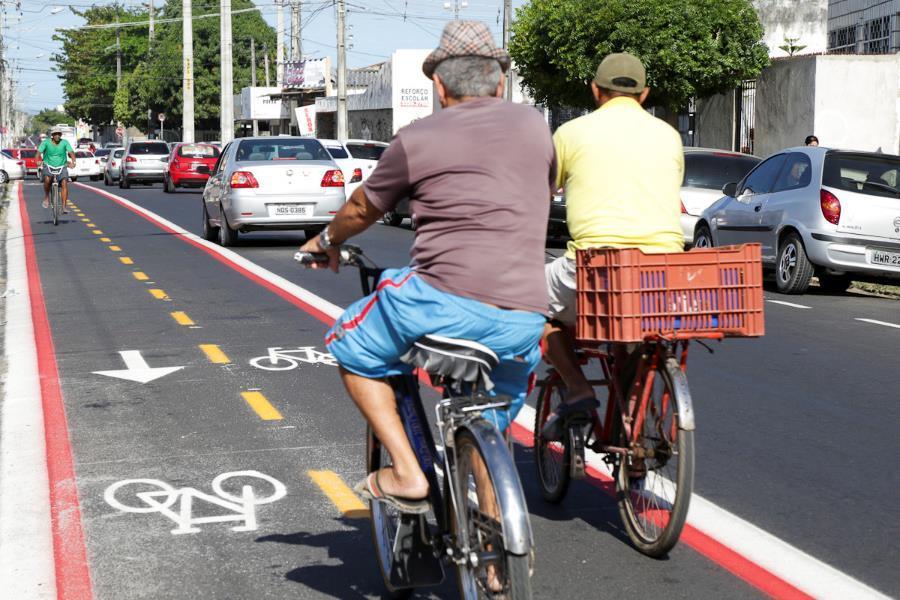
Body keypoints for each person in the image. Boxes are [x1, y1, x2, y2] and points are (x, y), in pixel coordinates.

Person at [298, 20, 556, 511]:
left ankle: (408, 471)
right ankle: (493, 525)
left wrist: (326, 240)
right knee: (492, 410)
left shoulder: (417, 138)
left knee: (349, 346)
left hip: (441, 306)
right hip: (525, 317)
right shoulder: (535, 126)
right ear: (500, 82)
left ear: (438, 86)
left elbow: (362, 208)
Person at [541, 53, 685, 439]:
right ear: (644, 94)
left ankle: (577, 386)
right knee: (636, 320)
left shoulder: (570, 133)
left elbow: (540, 194)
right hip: (664, 270)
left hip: (596, 266)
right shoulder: (670, 136)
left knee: (530, 298)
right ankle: (632, 422)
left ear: (595, 91)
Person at [37, 127, 76, 213]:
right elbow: (38, 153)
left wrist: (73, 161)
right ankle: (47, 197)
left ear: (61, 135)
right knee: (47, 179)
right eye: (55, 134)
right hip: (48, 165)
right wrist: (38, 161)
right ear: (52, 135)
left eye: (59, 134)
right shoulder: (46, 142)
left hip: (62, 166)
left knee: (64, 183)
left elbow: (71, 153)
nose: (57, 136)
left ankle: (63, 207)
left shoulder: (65, 142)